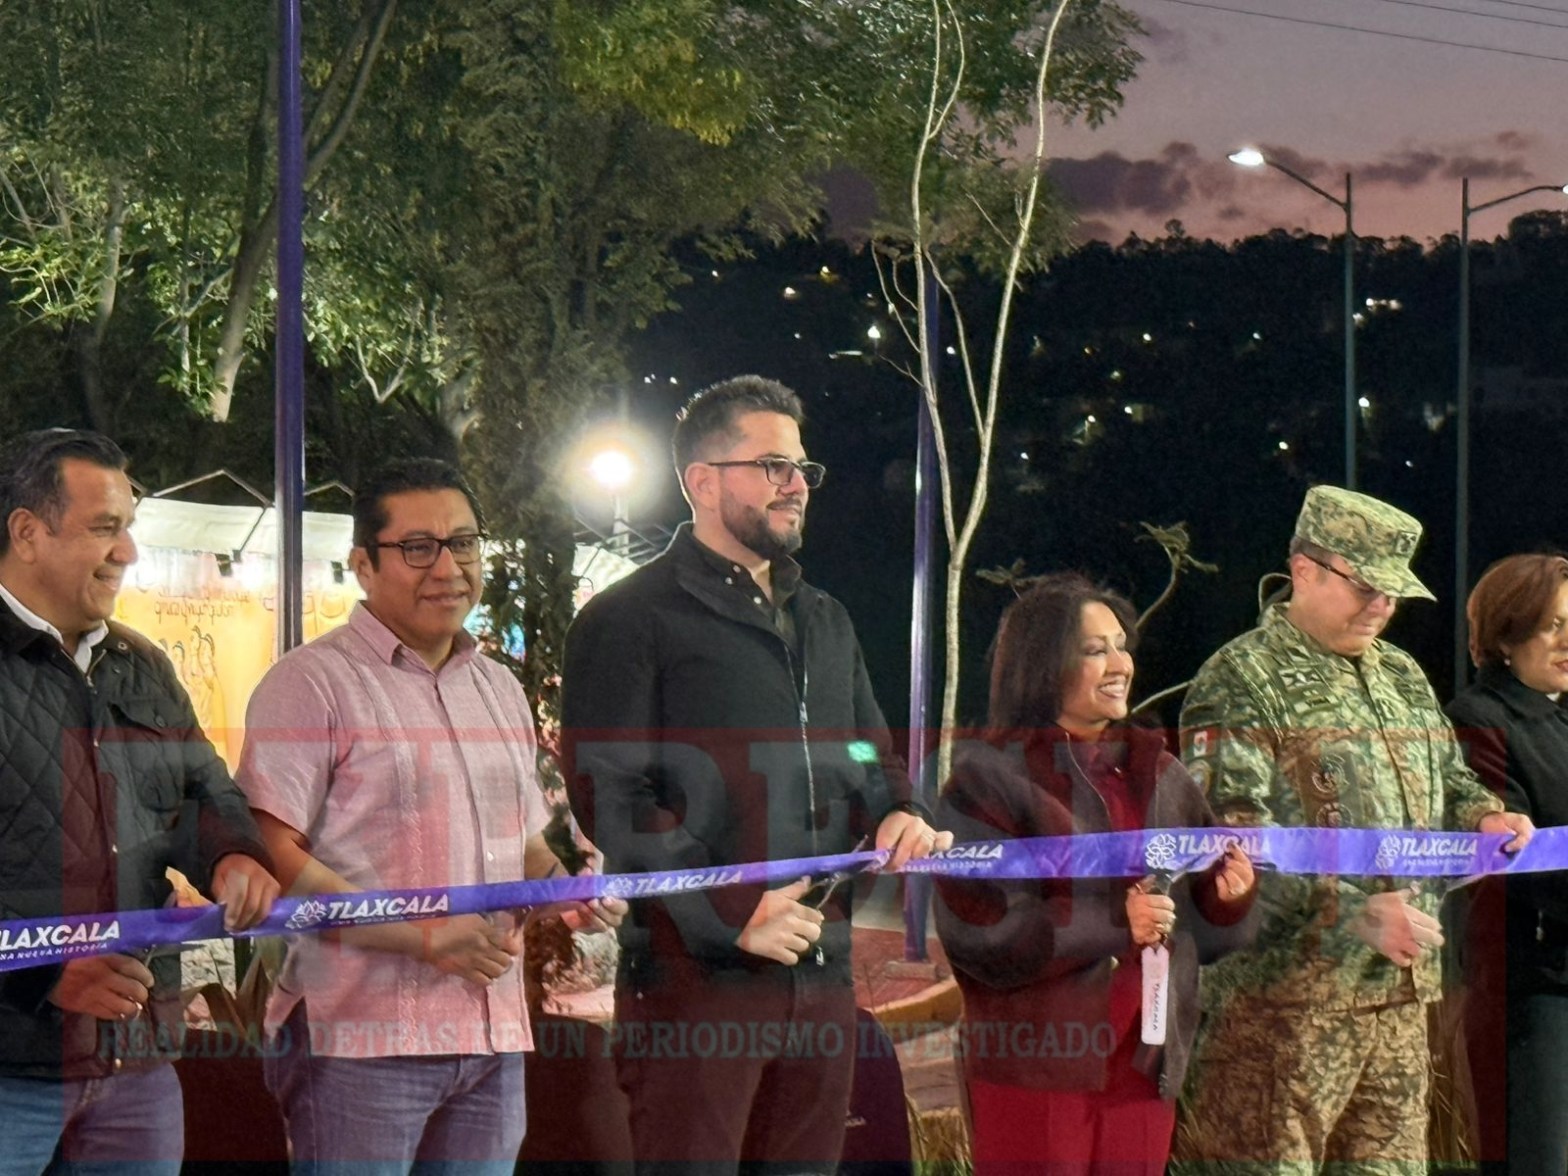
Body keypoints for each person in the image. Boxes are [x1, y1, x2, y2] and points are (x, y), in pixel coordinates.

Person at [562, 375, 951, 1175]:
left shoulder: (827, 619)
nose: (795, 484)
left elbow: (865, 749)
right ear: (702, 482)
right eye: (772, 465)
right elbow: (612, 796)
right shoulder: (628, 619)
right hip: (692, 986)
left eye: (802, 467)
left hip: (821, 975)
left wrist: (896, 808)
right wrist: (733, 911)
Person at [236, 457, 624, 1174]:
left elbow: (522, 844)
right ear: (363, 563)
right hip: (359, 1039)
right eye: (418, 547)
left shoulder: (499, 688)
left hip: (491, 1032)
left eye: (464, 543)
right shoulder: (311, 683)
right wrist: (421, 938)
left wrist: (569, 893)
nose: (448, 567)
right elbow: (271, 850)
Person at [1173, 485, 1534, 1176]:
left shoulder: (1400, 674)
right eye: (1366, 586)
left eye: (1394, 592)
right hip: (1280, 1016)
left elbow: (1449, 779)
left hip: (1397, 1003)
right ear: (1304, 569)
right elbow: (1230, 846)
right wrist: (1352, 915)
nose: (1383, 606)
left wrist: (1484, 815)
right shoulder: (1241, 679)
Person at [0, 428, 279, 1175]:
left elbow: (202, 789)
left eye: (128, 527)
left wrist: (234, 855)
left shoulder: (142, 664)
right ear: (26, 532)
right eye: (104, 528)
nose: (127, 552)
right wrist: (42, 972)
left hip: (137, 1061)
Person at [934, 573, 1257, 1176]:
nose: (1119, 664)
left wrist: (1228, 900)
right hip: (1037, 1072)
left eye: (1121, 645)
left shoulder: (1162, 773)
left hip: (1143, 1066)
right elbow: (979, 933)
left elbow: (1209, 934)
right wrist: (1115, 924)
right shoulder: (987, 781)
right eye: (1094, 650)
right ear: (1043, 667)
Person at [1446, 553, 1568, 1176]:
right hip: (1531, 986)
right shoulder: (1479, 718)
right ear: (1505, 634)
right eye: (1553, 625)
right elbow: (1514, 858)